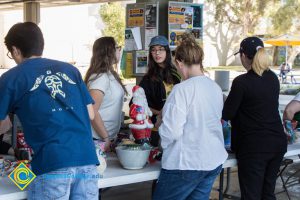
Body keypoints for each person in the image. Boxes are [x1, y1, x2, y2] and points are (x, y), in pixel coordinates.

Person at [0, 22, 99, 199]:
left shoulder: (11, 78)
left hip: (52, 162)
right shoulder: (71, 70)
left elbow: (2, 125)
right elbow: (90, 114)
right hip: (87, 159)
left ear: (15, 50)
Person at [153, 33, 228, 200]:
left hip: (185, 162)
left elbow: (171, 131)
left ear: (180, 63)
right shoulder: (215, 87)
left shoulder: (182, 90)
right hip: (212, 160)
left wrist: (161, 143)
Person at [223, 37, 287, 200]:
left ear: (244, 55)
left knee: (251, 195)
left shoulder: (241, 82)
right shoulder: (272, 78)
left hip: (254, 146)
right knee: (267, 193)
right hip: (276, 143)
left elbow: (227, 114)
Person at [84, 37, 127, 151]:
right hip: (97, 139)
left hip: (105, 138)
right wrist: (105, 137)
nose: (119, 50)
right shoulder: (100, 77)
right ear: (108, 52)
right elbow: (92, 110)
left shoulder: (109, 74)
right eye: (117, 47)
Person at [138, 35, 181, 147]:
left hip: (177, 127)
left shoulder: (177, 74)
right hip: (156, 130)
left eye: (160, 49)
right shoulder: (148, 79)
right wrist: (161, 113)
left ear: (167, 51)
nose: (157, 53)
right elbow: (138, 104)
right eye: (153, 50)